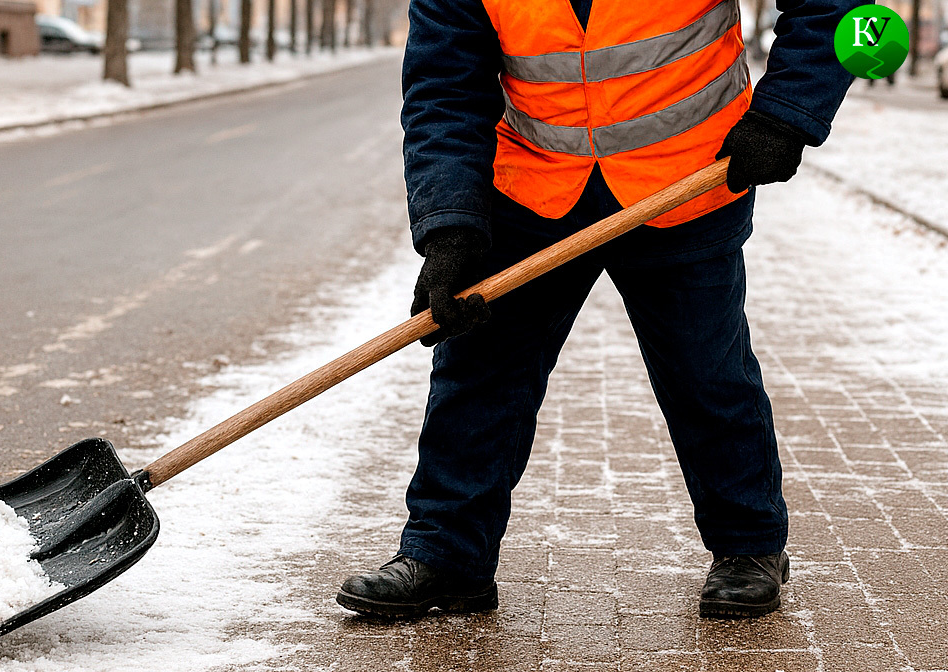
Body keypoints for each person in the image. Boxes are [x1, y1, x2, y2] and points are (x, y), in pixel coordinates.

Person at [337, 0, 862, 619]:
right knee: (480, 373)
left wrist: (786, 114)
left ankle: (749, 547)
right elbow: (444, 88)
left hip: (683, 179)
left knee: (705, 374)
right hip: (535, 186)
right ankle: (448, 555)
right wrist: (451, 226)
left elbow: (834, 6)